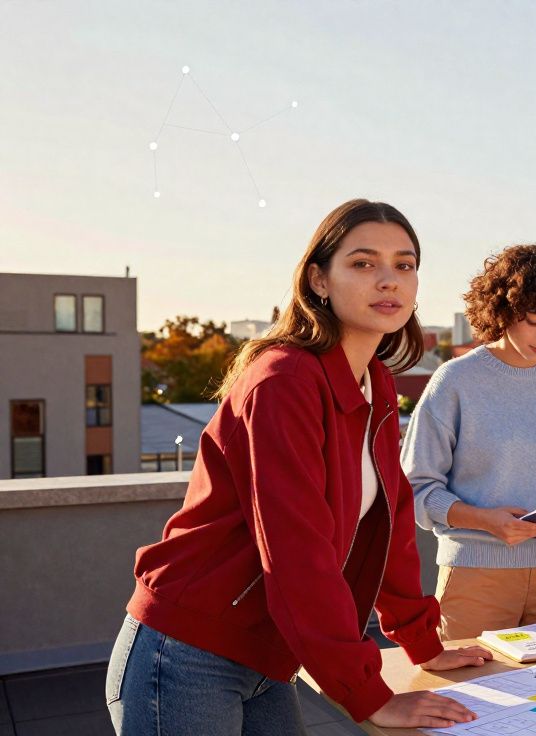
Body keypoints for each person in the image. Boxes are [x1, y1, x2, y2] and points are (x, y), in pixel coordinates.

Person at [107, 200, 492, 735]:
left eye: (404, 265)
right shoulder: (284, 381)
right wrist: (368, 694)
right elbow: (296, 550)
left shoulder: (373, 382)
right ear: (318, 279)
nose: (389, 280)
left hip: (269, 654)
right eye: (363, 263)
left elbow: (392, 521)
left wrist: (424, 644)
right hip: (188, 651)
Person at [404, 244, 536, 640]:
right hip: (476, 574)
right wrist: (485, 521)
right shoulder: (455, 381)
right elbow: (416, 488)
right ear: (504, 309)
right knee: (473, 697)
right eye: (535, 320)